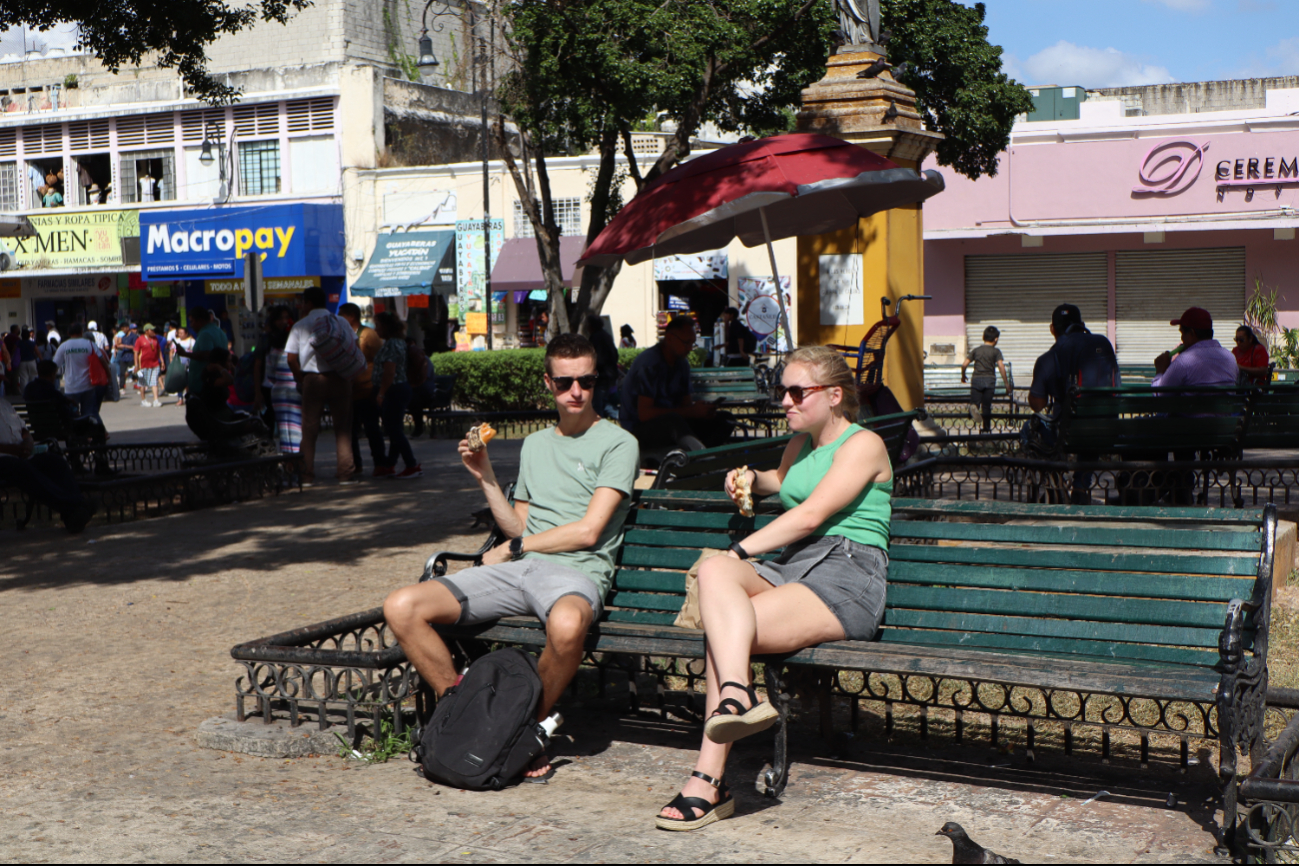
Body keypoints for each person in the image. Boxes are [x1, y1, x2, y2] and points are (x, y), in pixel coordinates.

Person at [655, 346, 892, 831]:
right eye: (781, 390)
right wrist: (749, 479)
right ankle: (738, 696)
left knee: (725, 624)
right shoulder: (800, 444)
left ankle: (707, 781)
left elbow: (809, 513)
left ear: (833, 395)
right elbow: (783, 483)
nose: (784, 400)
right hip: (797, 564)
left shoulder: (863, 444)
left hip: (846, 573)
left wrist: (740, 552)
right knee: (713, 575)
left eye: (796, 391)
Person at [384, 334, 639, 781]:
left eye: (586, 380)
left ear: (597, 381)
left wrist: (517, 548)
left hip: (576, 572)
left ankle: (519, 730)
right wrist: (484, 475)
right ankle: (471, 720)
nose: (576, 391)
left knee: (567, 625)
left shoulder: (618, 443)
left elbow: (589, 531)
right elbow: (519, 527)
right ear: (548, 383)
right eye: (564, 382)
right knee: (402, 606)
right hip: (522, 569)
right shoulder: (536, 445)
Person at [1025, 304, 1117, 503]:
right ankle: (1081, 487)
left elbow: (1038, 405)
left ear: (1052, 329)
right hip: (1107, 429)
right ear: (1082, 325)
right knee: (1090, 428)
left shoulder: (1050, 357)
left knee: (1029, 428)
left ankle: (1055, 482)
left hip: (1067, 433)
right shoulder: (1103, 343)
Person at [620, 316, 730, 452]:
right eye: (686, 343)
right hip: (638, 430)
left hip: (672, 423)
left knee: (725, 419)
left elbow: (686, 406)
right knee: (673, 421)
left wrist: (701, 411)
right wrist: (690, 412)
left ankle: (700, 456)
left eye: (693, 343)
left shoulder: (682, 364)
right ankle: (704, 461)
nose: (690, 348)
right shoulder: (649, 364)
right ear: (670, 338)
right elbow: (645, 414)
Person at [284, 287, 356, 486]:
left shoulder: (300, 325)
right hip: (340, 378)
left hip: (313, 380)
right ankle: (345, 474)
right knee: (342, 428)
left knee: (309, 429)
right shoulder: (340, 321)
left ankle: (306, 475)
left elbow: (290, 358)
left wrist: (301, 378)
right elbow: (354, 348)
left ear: (308, 303)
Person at [0, 395, 93, 533]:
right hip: (4, 459)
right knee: (20, 468)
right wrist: (12, 450)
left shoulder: (4, 404)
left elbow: (24, 431)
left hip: (21, 455)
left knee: (54, 462)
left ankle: (73, 516)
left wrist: (28, 443)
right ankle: (75, 506)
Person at [371, 312, 422, 479]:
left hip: (394, 389)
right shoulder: (397, 342)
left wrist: (381, 393)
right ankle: (390, 464)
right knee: (394, 428)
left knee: (394, 430)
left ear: (386, 327)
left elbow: (389, 371)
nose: (376, 329)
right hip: (398, 389)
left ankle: (411, 464)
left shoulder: (392, 344)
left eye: (378, 325)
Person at [337, 303, 385, 475]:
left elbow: (380, 362)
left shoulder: (368, 335)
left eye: (341, 314)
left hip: (367, 389)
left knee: (372, 428)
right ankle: (355, 465)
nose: (339, 317)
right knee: (350, 431)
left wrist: (378, 388)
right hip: (350, 391)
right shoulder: (343, 334)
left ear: (351, 316)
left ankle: (380, 463)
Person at [175, 308, 233, 440]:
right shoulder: (218, 331)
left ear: (200, 321)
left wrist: (185, 354)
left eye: (192, 322)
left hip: (205, 387)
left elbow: (207, 354)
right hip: (213, 384)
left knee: (206, 420)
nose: (191, 325)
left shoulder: (206, 333)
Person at [1152, 307, 1238, 389]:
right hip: (1227, 404)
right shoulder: (1230, 357)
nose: (1182, 338)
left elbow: (1159, 394)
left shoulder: (1183, 361)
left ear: (1192, 333)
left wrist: (1160, 369)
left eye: (1182, 333)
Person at [23, 360, 107, 443]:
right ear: (52, 374)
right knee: (98, 426)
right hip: (59, 428)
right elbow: (66, 415)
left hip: (37, 427)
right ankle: (98, 453)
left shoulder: (29, 388)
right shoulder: (53, 392)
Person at [261, 307, 303, 455]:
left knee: (284, 430)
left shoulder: (273, 350)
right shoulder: (297, 351)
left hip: (278, 393)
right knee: (297, 428)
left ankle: (288, 462)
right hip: (296, 391)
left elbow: (270, 376)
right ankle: (298, 462)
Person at [961, 326, 1012, 433]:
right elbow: (1001, 366)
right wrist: (1006, 384)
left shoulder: (976, 350)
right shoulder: (996, 351)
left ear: (983, 337)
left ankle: (974, 408)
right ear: (996, 339)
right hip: (990, 381)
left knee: (974, 402)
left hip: (977, 380)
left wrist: (963, 375)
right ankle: (986, 429)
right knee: (987, 406)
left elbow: (964, 364)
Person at [52, 323, 102, 423]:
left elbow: (54, 365)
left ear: (68, 333)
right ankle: (88, 435)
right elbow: (102, 360)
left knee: (72, 414)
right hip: (88, 386)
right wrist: (108, 376)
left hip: (71, 387)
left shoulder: (64, 346)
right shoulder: (89, 344)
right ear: (81, 332)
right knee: (88, 413)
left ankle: (77, 434)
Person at [586, 313, 620, 416]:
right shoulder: (606, 336)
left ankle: (621, 417)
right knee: (603, 403)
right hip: (610, 375)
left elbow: (597, 359)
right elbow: (615, 354)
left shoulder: (595, 338)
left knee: (598, 405)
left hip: (602, 376)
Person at [133, 323, 165, 407]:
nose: (153, 331)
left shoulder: (155, 339)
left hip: (154, 364)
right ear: (146, 331)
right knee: (142, 383)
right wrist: (136, 365)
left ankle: (156, 400)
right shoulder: (140, 339)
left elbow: (158, 350)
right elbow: (136, 353)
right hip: (142, 365)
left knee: (154, 382)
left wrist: (162, 361)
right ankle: (143, 400)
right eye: (151, 330)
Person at [170, 326, 195, 406]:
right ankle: (180, 398)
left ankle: (188, 397)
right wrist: (171, 362)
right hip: (178, 365)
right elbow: (171, 352)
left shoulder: (192, 341)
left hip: (189, 365)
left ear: (186, 333)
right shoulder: (176, 341)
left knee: (188, 382)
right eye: (178, 333)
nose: (180, 335)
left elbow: (195, 352)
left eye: (182, 333)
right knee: (179, 382)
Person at [16, 327, 38, 391]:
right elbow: (37, 352)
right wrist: (42, 360)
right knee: (33, 376)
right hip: (32, 361)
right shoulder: (32, 343)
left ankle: (24, 392)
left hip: (22, 362)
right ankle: (33, 390)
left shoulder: (18, 343)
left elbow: (14, 352)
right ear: (29, 336)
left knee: (23, 378)